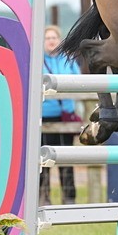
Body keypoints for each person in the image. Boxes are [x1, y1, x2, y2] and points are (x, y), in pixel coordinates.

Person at [43, 25, 82, 206]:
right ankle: (43, 198)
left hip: (66, 116)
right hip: (44, 117)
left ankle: (69, 198)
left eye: (54, 37)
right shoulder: (37, 61)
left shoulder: (68, 60)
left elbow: (79, 82)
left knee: (66, 159)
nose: (51, 41)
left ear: (60, 40)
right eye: (47, 38)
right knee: (43, 160)